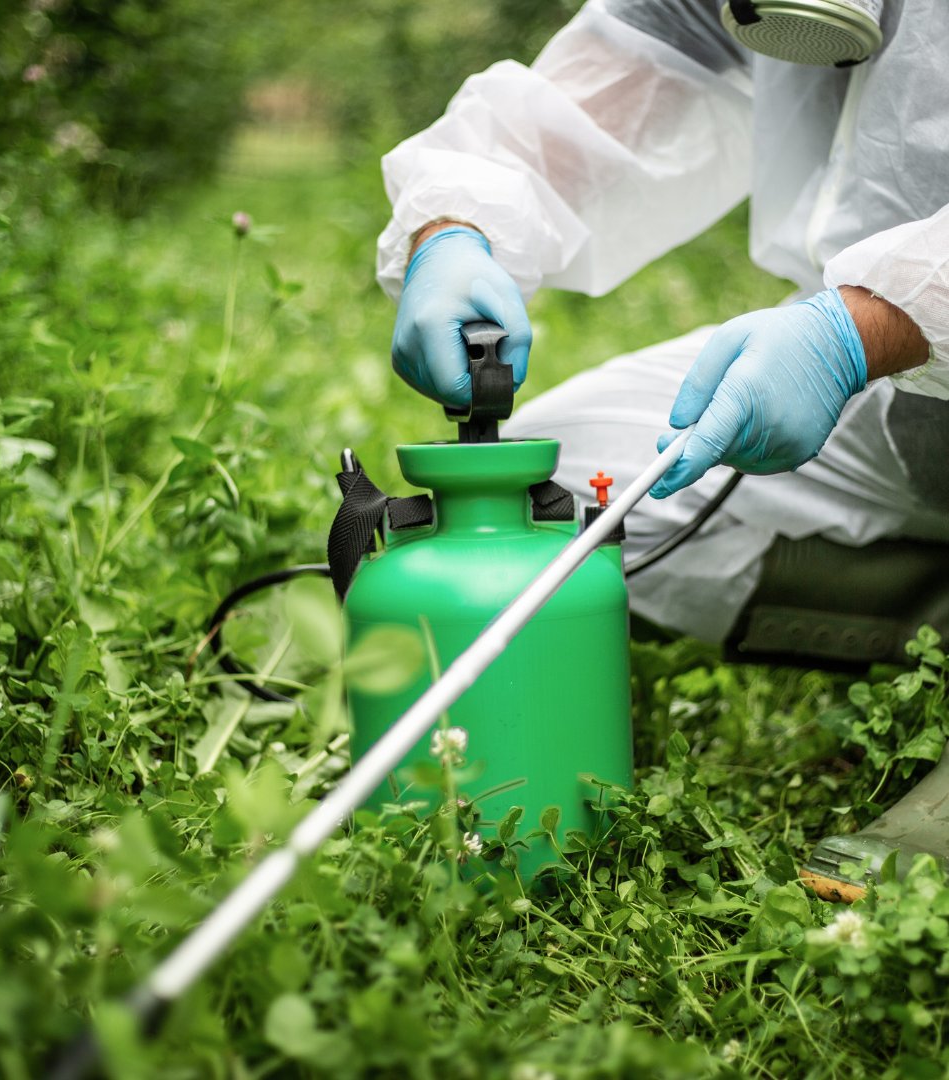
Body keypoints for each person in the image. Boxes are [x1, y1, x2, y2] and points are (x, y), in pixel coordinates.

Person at [375, 0, 949, 901]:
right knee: (549, 510)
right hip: (892, 407)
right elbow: (594, 99)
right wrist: (453, 230)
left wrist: (865, 329)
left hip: (876, 341)